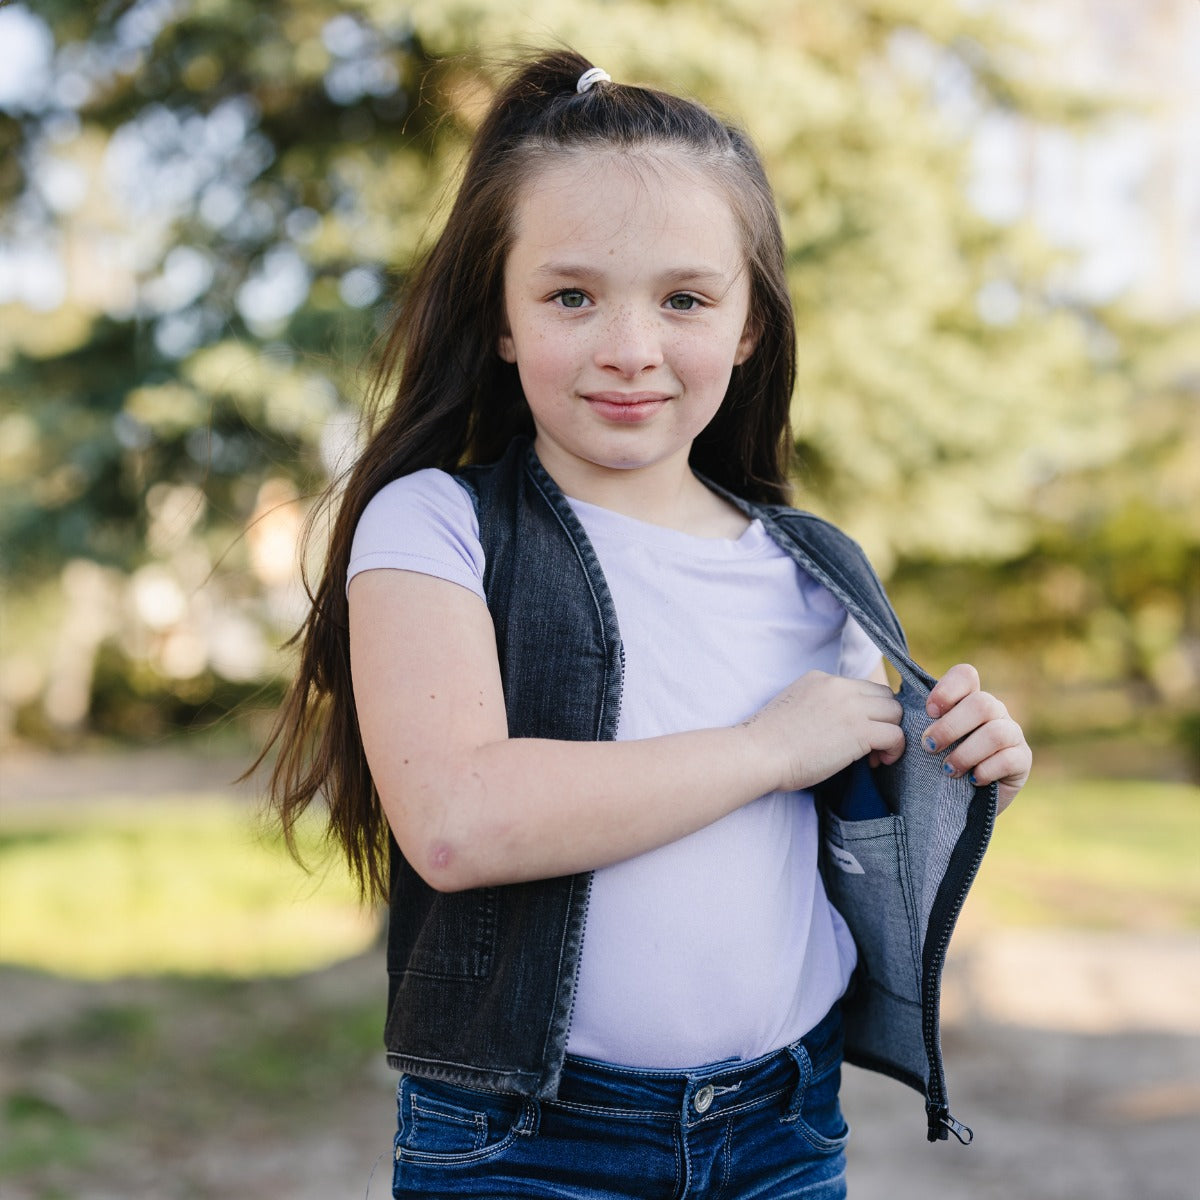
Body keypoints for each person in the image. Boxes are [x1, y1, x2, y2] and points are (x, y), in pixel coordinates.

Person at [263, 49, 1032, 1199]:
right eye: (572, 296)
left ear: (750, 326)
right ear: (503, 318)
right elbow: (458, 822)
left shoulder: (813, 567)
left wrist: (958, 776)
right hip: (532, 1146)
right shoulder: (435, 525)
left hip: (783, 1130)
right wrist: (765, 748)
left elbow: (840, 838)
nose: (631, 348)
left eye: (685, 300)